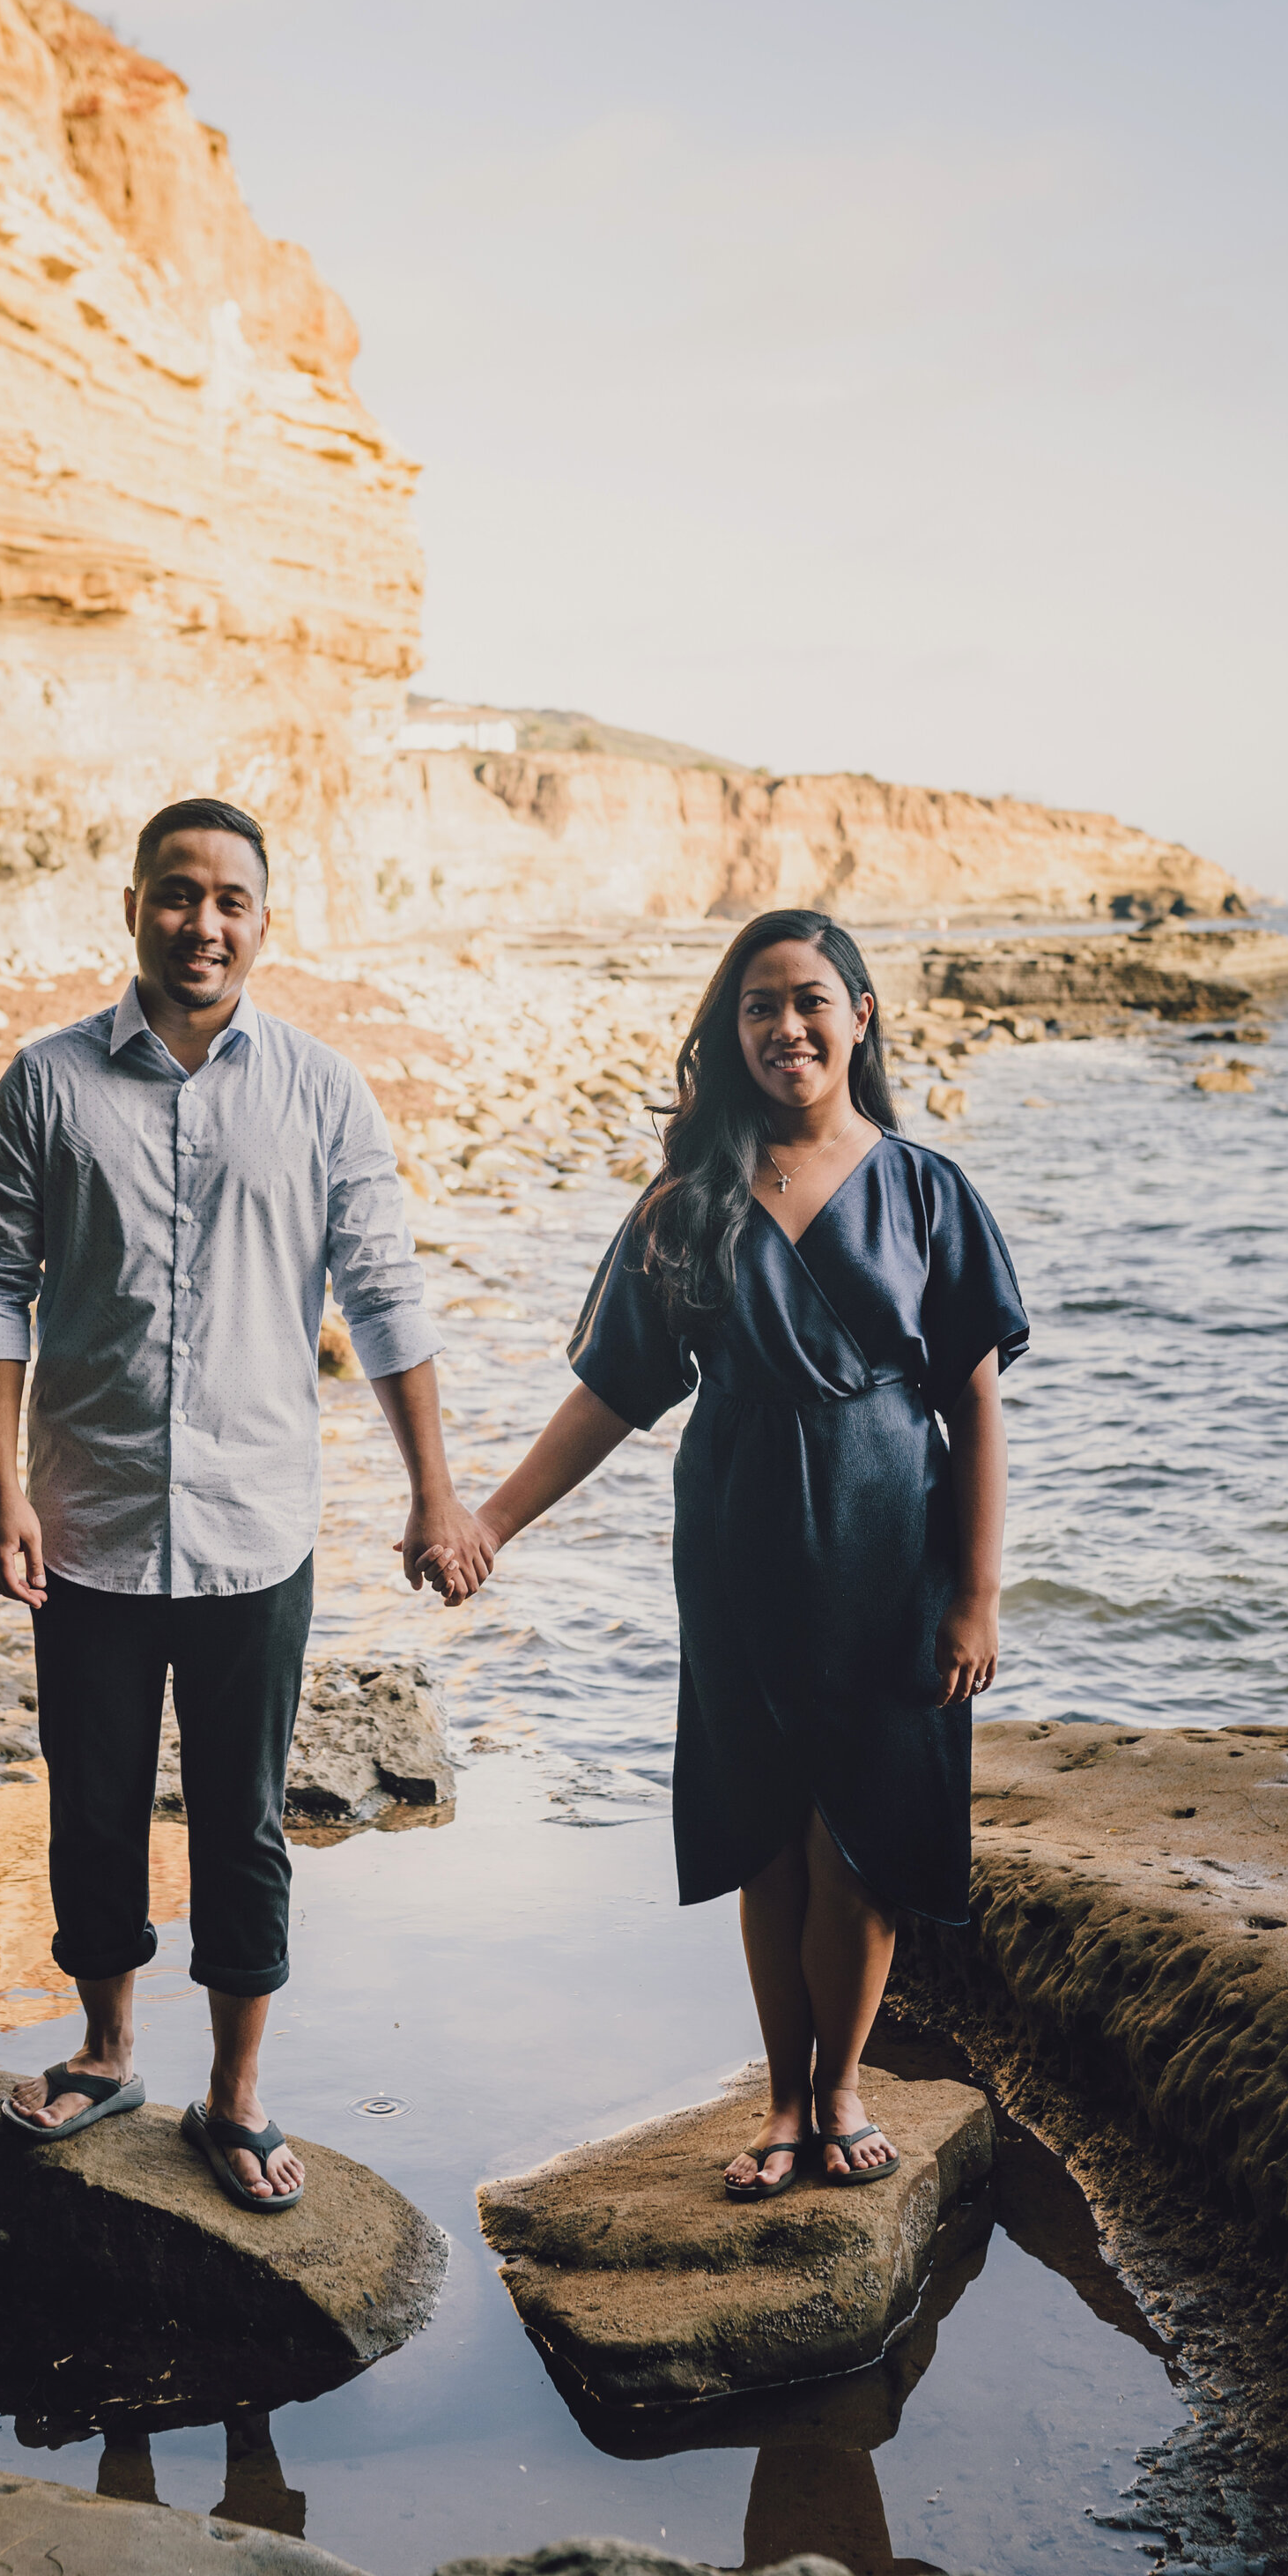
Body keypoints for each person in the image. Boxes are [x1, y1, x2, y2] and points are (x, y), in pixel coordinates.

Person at [424, 909, 1025, 2200]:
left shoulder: (927, 1192)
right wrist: (489, 1521)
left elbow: (974, 1404)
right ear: (729, 1029)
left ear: (861, 1015)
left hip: (892, 1546)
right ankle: (784, 2092)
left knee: (861, 1842)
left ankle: (846, 2083)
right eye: (759, 1005)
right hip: (742, 1547)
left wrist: (976, 1596)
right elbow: (612, 1396)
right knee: (768, 1832)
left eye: (812, 998)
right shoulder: (687, 1203)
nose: (787, 1025)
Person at [0, 797, 492, 2203]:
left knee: (243, 1817)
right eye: (178, 894)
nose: (205, 923)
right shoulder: (48, 1084)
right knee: (95, 1803)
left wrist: (439, 1496)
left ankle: (238, 2095)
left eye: (231, 900)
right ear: (130, 905)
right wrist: (0, 1489)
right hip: (88, 1524)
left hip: (258, 1530)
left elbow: (383, 1298)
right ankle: (107, 2048)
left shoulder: (320, 1090)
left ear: (266, 918)